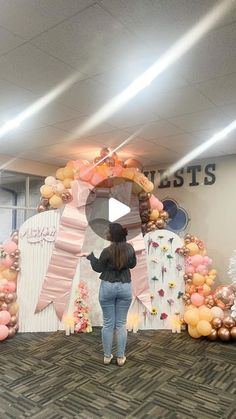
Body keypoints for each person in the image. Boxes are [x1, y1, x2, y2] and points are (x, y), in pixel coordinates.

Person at [86, 223, 136, 366]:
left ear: (112, 235)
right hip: (125, 286)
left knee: (108, 324)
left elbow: (98, 267)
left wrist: (91, 257)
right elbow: (132, 265)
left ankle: (107, 357)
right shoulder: (130, 249)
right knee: (121, 324)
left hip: (107, 286)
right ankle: (121, 358)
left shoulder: (107, 251)